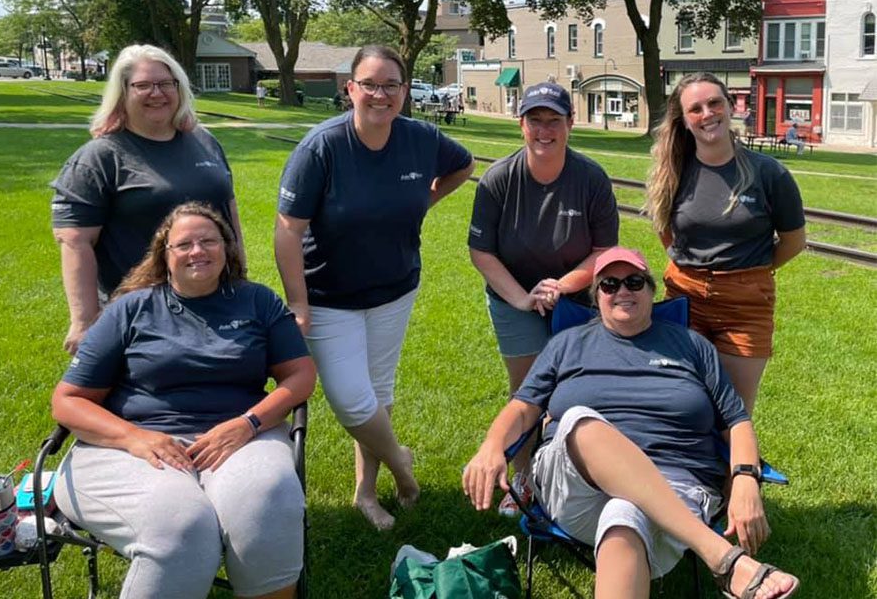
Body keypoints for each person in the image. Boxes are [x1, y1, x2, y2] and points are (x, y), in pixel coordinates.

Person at [463, 246, 800, 599]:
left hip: (678, 482)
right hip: (576, 487)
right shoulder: (567, 344)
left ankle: (721, 559)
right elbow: (522, 408)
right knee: (580, 422)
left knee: (624, 511)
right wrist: (491, 447)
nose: (622, 291)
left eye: (634, 281)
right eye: (609, 284)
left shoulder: (692, 346)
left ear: (652, 291)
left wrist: (745, 478)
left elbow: (736, 419)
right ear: (597, 298)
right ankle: (722, 557)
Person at [52, 203, 316, 599]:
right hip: (137, 446)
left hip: (240, 436)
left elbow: (301, 375)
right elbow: (67, 400)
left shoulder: (257, 302)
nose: (198, 250)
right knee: (181, 526)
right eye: (184, 244)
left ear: (227, 249)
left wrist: (249, 423)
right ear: (165, 255)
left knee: (267, 500)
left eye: (209, 240)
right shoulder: (130, 309)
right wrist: (135, 438)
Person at [275, 45, 474, 530]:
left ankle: (365, 492)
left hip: (395, 288)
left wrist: (419, 203)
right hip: (329, 297)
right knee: (351, 399)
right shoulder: (321, 147)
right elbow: (287, 230)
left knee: (378, 393)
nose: (380, 94)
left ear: (405, 92)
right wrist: (297, 301)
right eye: (370, 84)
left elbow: (462, 166)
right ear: (351, 90)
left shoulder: (421, 138)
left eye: (391, 85)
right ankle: (401, 462)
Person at [468, 81, 618, 516]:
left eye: (554, 120)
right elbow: (482, 251)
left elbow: (605, 252)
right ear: (522, 126)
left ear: (571, 123)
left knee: (576, 387)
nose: (544, 130)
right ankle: (523, 477)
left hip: (576, 297)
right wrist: (519, 298)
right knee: (527, 390)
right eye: (536, 120)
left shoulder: (590, 178)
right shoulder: (499, 179)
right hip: (512, 294)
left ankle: (577, 475)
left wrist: (561, 286)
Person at [51, 44, 246, 356]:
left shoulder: (205, 142)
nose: (157, 93)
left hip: (217, 301)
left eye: (166, 84)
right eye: (143, 85)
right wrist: (84, 321)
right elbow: (75, 242)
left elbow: (229, 214)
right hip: (138, 311)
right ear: (122, 92)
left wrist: (241, 281)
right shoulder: (99, 157)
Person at [645, 72, 806, 415]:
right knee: (682, 405)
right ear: (684, 121)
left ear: (730, 106)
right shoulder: (672, 171)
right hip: (684, 298)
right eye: (696, 108)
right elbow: (664, 230)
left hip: (745, 305)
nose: (707, 114)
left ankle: (734, 469)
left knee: (733, 413)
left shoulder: (768, 173)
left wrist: (753, 271)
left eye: (715, 102)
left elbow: (794, 241)